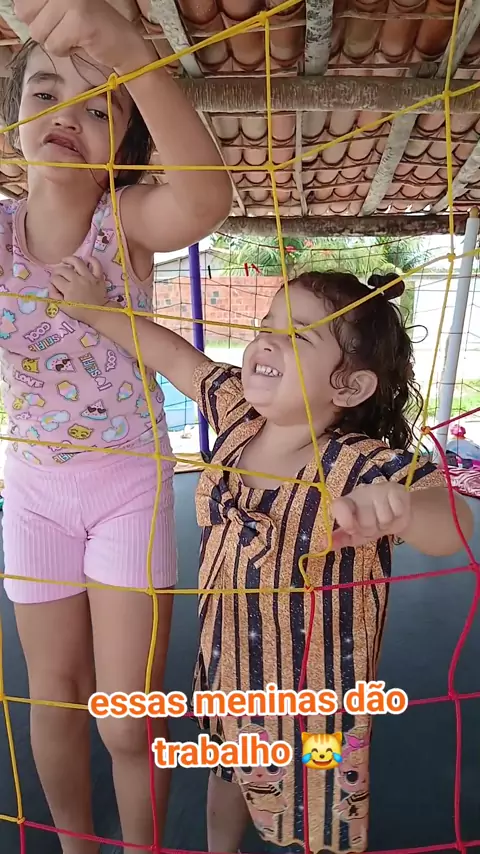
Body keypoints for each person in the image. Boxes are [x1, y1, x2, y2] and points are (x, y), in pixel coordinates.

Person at [49, 262, 474, 854]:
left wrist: (400, 508)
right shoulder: (238, 419)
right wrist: (98, 312)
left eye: (297, 335)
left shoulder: (360, 463)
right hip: (228, 675)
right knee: (229, 778)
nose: (267, 341)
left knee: (323, 812)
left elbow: (453, 521)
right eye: (266, 326)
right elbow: (176, 358)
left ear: (350, 388)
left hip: (316, 705)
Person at [0, 2, 232, 852]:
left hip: (128, 487)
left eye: (100, 106)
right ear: (15, 115)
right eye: (45, 92)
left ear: (124, 145)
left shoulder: (124, 221)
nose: (67, 113)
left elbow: (206, 198)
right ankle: (74, 844)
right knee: (53, 697)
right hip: (33, 491)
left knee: (126, 717)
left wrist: (130, 50)